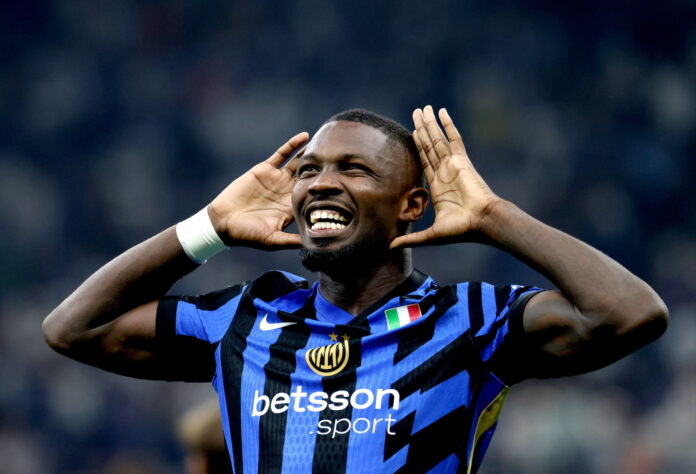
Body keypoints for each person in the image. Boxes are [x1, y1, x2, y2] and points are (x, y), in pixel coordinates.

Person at [42, 106, 668, 473]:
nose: (320, 183)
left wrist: (493, 218)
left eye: (354, 168)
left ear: (411, 205)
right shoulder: (246, 316)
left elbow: (630, 313)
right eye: (308, 170)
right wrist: (209, 228)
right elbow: (74, 328)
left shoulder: (472, 319)